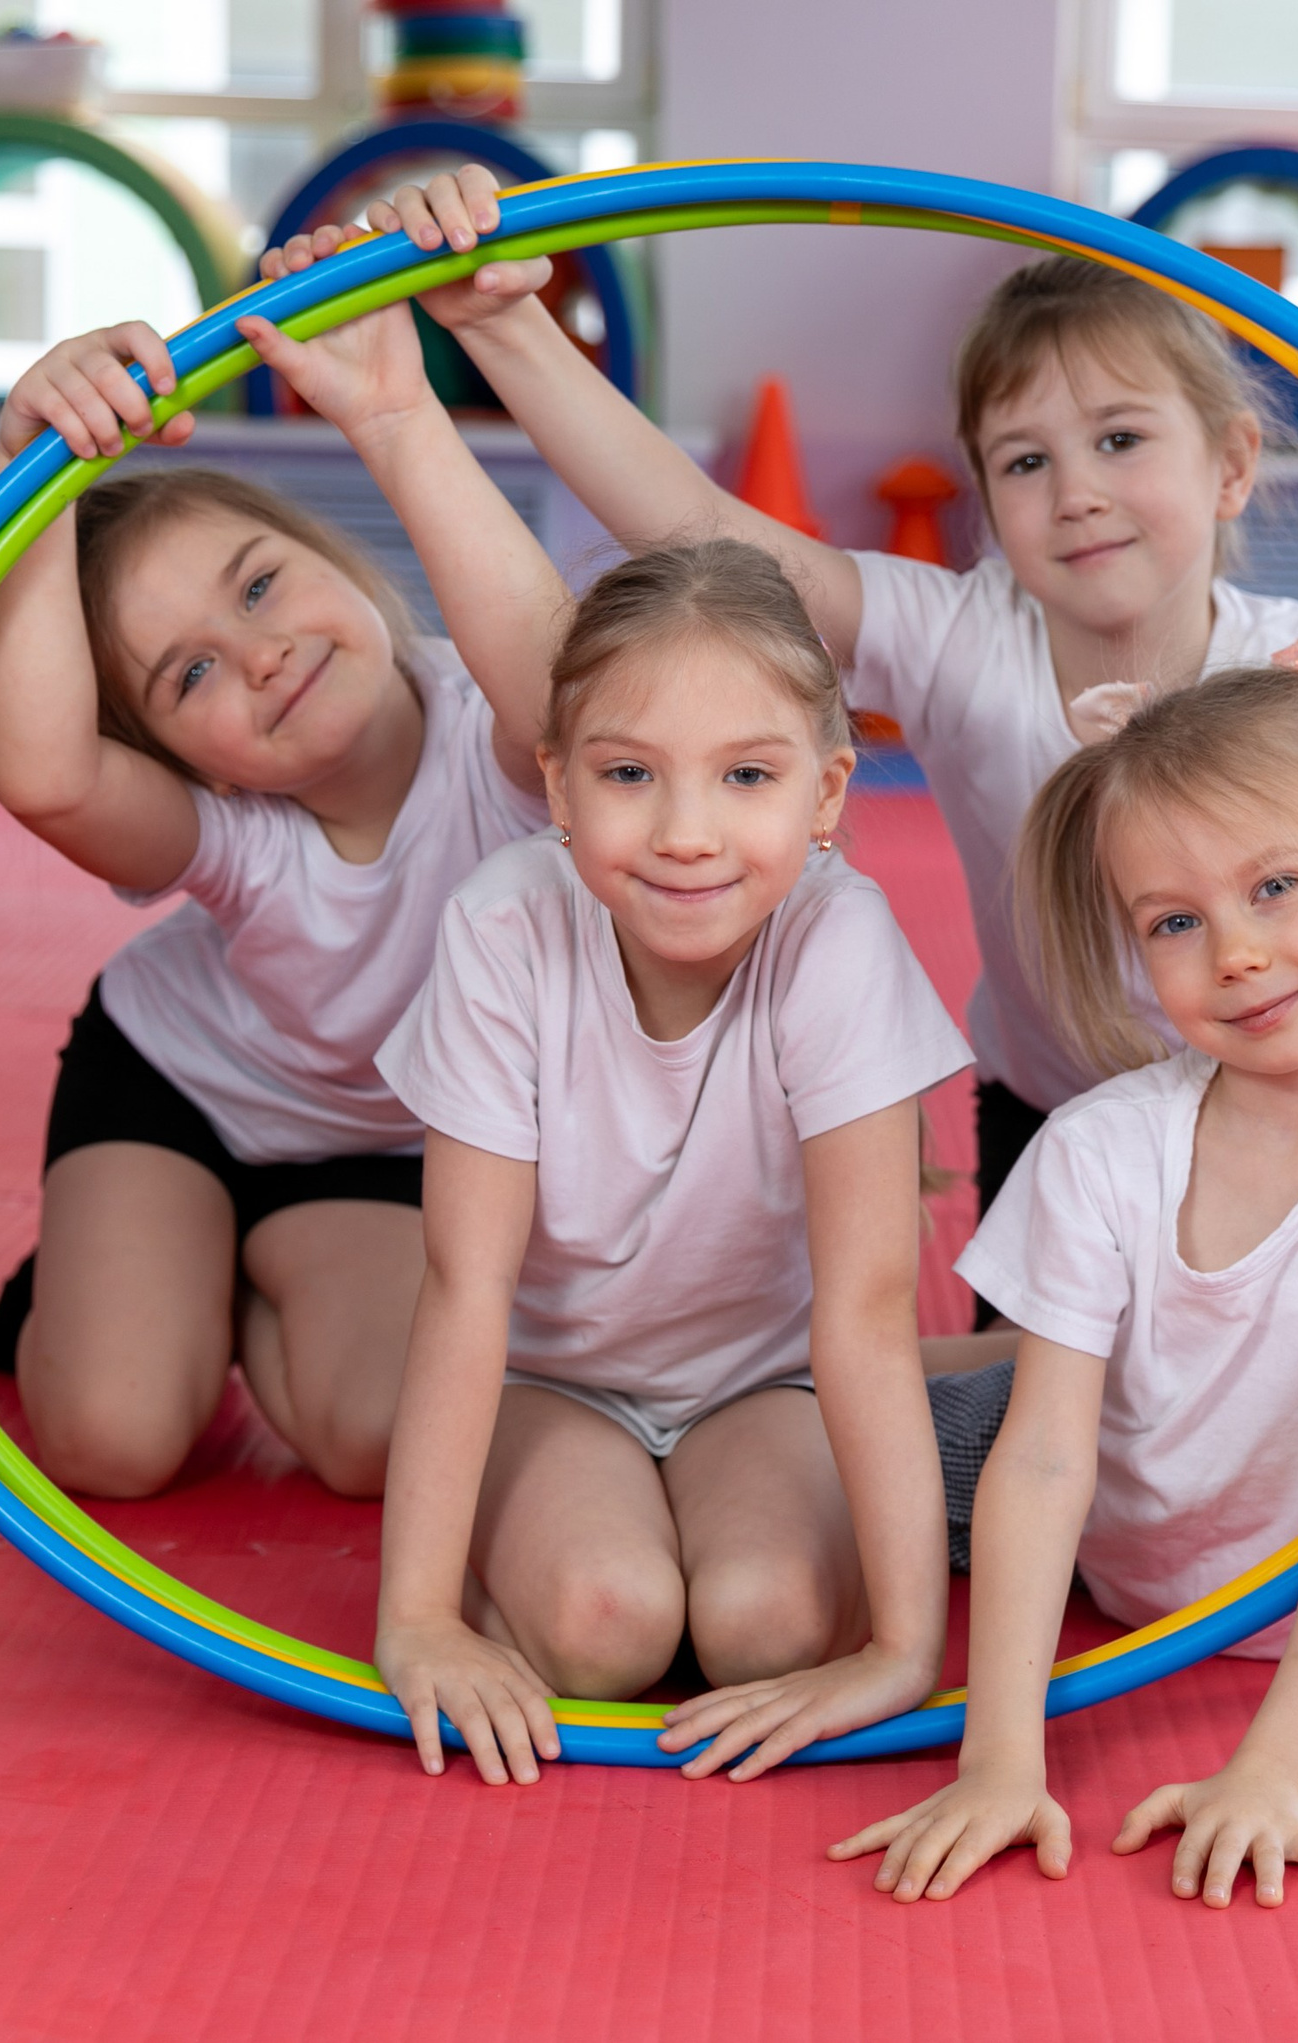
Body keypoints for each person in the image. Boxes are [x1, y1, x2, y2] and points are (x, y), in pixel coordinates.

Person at [264, 167, 1298, 1334]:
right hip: (1065, 1122)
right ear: (986, 505)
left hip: (1295, 1102)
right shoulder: (956, 634)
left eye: (1119, 439)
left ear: (1230, 462)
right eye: (1024, 462)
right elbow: (703, 530)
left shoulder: (1286, 662)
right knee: (1041, 1472)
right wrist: (506, 331)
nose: (1077, 490)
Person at [830, 650, 1298, 1903]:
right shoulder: (1100, 1143)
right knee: (866, 1422)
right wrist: (999, 1758)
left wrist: (1276, 1768)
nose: (1233, 952)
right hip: (1135, 1565)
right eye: (1175, 921)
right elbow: (1047, 1458)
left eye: (1276, 888)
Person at [368, 538, 974, 1787]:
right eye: (630, 774)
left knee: (773, 1628)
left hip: (757, 1385)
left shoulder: (836, 936)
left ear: (825, 796)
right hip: (554, 1383)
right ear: (558, 785)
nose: (686, 834)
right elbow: (464, 1287)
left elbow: (862, 1312)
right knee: (607, 1626)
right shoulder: (503, 923)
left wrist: (906, 1649)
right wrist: (416, 1619)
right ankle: (517, 1564)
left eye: (746, 775)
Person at [0, 294, 565, 1502]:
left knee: (384, 1442)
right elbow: (44, 775)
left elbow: (565, 695)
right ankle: (127, 1263)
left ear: (335, 560)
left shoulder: (504, 739)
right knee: (111, 1442)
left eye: (258, 589)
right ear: (184, 759)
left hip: (388, 1141)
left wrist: (397, 415)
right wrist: (21, 481)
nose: (260, 656)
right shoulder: (233, 833)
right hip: (179, 1093)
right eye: (189, 676)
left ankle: (226, 1276)